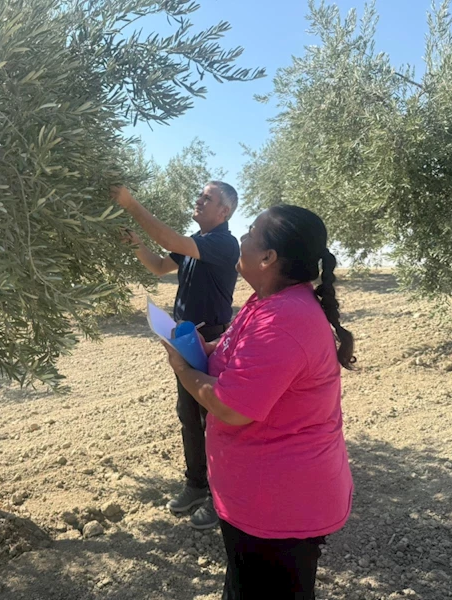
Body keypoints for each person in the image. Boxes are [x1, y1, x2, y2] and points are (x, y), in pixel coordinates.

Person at [159, 204, 355, 599]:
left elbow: (231, 406)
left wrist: (183, 368)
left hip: (280, 509)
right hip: (259, 500)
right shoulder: (264, 303)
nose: (241, 240)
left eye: (249, 233)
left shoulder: (284, 319)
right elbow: (236, 357)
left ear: (268, 258)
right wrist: (204, 347)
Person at [112, 182, 240, 530]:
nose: (199, 201)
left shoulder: (223, 244)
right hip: (186, 338)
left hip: (210, 339)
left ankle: (221, 496)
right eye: (200, 195)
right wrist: (135, 244)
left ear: (224, 212)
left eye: (207, 198)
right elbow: (157, 266)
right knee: (188, 415)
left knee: (212, 419)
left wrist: (131, 204)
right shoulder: (195, 244)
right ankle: (196, 485)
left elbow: (169, 243)